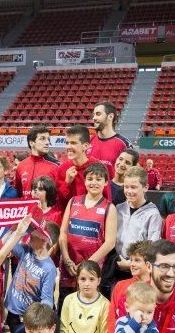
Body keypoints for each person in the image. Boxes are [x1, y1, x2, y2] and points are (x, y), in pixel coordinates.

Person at [58, 162, 117, 312]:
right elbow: (63, 234)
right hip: (69, 268)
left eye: (98, 179)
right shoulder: (73, 201)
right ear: (85, 181)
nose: (94, 183)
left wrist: (85, 267)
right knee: (65, 309)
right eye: (90, 179)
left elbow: (109, 243)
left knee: (87, 310)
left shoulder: (109, 208)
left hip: (91, 270)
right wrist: (67, 260)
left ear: (105, 182)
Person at [5, 222, 59, 333]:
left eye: (34, 236)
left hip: (25, 319)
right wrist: (18, 228)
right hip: (12, 311)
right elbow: (6, 242)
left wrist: (38, 320)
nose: (30, 237)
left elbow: (47, 299)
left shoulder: (49, 268)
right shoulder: (26, 251)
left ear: (45, 240)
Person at [112, 165, 162, 289]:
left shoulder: (153, 214)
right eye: (126, 187)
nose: (129, 191)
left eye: (133, 187)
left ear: (145, 187)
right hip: (116, 266)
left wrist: (130, 264)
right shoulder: (118, 208)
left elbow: (152, 247)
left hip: (138, 272)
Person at [55, 125, 113, 209]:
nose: (68, 147)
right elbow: (59, 203)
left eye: (73, 143)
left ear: (85, 146)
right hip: (70, 218)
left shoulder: (99, 167)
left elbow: (107, 198)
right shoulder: (63, 168)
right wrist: (67, 183)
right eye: (67, 143)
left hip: (93, 218)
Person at [14, 125, 60, 198]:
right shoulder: (21, 166)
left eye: (48, 139)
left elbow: (59, 195)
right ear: (32, 143)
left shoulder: (55, 166)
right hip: (27, 209)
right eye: (42, 139)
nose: (47, 142)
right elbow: (18, 194)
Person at [89, 101, 131, 165]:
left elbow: (132, 172)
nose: (94, 118)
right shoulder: (89, 140)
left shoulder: (124, 144)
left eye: (98, 114)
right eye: (94, 115)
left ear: (110, 116)